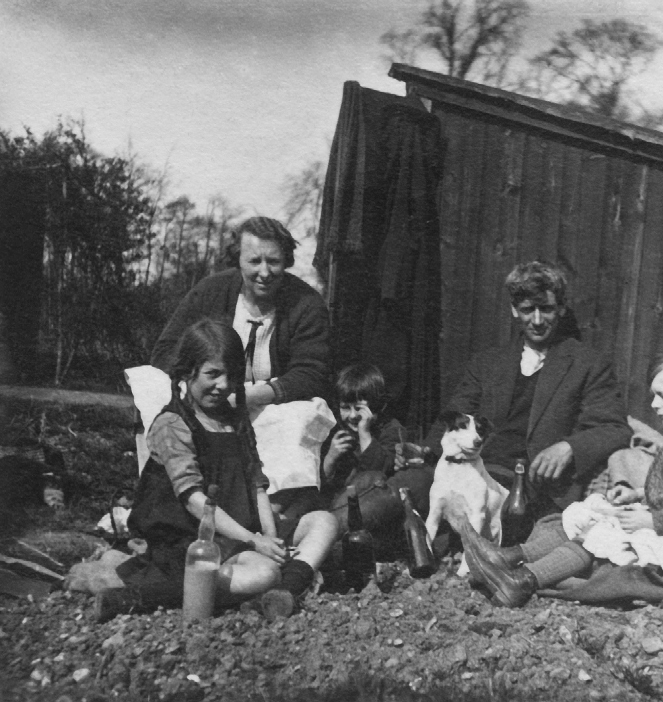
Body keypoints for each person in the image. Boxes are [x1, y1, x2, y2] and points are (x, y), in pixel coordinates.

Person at [461, 343, 663, 607]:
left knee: (599, 535)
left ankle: (524, 581)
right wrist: (637, 495)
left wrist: (651, 520)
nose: (653, 405)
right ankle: (507, 557)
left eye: (662, 396)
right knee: (590, 514)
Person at [96, 319, 338, 623]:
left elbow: (256, 484)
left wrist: (270, 538)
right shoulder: (172, 424)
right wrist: (254, 542)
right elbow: (195, 501)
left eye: (231, 375)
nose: (223, 385)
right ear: (187, 372)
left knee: (324, 521)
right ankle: (153, 595)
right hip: (188, 541)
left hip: (238, 534)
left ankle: (286, 589)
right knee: (261, 574)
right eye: (213, 374)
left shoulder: (235, 419)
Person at [405, 261, 631, 539]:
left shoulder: (587, 364)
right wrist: (425, 452)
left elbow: (615, 428)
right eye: (527, 310)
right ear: (515, 310)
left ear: (560, 308)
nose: (537, 321)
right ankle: (340, 535)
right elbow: (454, 418)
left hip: (526, 486)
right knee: (401, 486)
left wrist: (569, 447)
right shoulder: (488, 363)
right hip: (469, 470)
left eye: (546, 309)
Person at [151, 216, 330, 410]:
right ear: (238, 259)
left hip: (274, 406)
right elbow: (165, 351)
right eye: (254, 261)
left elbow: (311, 372)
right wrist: (200, 384)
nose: (264, 272)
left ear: (286, 260)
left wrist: (251, 397)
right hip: (205, 398)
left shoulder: (307, 303)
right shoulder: (210, 291)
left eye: (273, 261)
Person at [321, 364, 431, 547]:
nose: (352, 415)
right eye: (345, 408)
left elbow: (379, 472)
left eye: (359, 408)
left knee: (369, 478)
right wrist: (330, 458)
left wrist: (365, 434)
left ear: (377, 406)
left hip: (373, 511)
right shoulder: (337, 433)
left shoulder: (391, 430)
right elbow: (322, 483)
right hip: (338, 506)